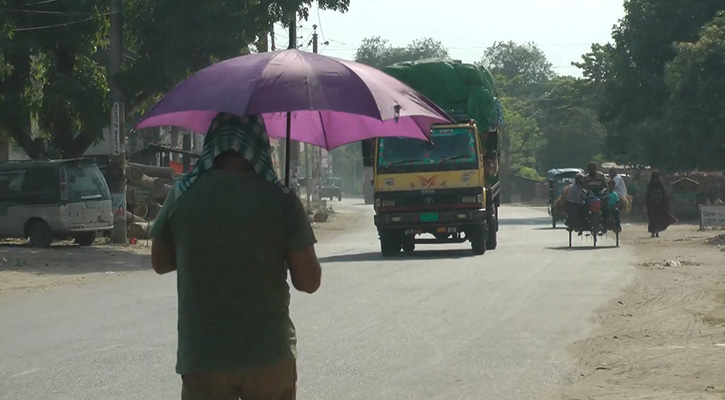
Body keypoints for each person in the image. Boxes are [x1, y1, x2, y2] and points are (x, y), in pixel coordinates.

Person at [150, 113, 321, 400]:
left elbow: (160, 262)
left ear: (213, 143)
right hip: (269, 355)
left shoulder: (182, 193)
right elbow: (309, 281)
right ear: (260, 144)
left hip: (203, 357)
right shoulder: (281, 199)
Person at [645, 170, 677, 238]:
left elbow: (647, 196)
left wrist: (647, 205)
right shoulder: (660, 185)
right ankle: (656, 232)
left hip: (652, 206)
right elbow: (664, 196)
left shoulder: (650, 185)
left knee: (653, 219)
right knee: (658, 219)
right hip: (659, 206)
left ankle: (653, 232)